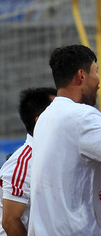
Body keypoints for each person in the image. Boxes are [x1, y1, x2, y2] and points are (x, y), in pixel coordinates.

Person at [28, 44, 101, 236]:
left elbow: (82, 171)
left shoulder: (46, 117)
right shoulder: (83, 116)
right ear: (81, 76)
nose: (99, 81)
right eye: (96, 71)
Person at [0, 87, 56, 236]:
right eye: (58, 113)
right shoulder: (23, 162)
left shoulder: (55, 154)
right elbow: (10, 222)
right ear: (40, 121)